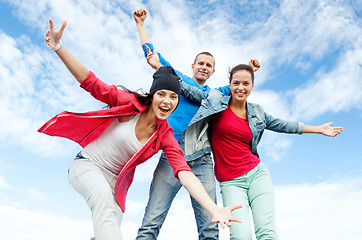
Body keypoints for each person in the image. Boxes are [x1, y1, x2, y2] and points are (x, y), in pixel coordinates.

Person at [38, 19, 242, 240]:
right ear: (153, 95)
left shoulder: (165, 135)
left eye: (174, 97)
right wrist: (58, 47)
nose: (168, 101)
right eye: (162, 94)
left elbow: (184, 172)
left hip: (116, 184)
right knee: (104, 208)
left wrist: (214, 209)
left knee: (107, 228)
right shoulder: (129, 104)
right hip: (87, 165)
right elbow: (91, 82)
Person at [145, 58, 343, 240]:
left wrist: (318, 129)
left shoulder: (257, 112)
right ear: (229, 85)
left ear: (252, 87)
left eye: (246, 84)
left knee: (266, 232)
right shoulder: (214, 101)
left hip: (257, 173)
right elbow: (188, 89)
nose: (240, 88)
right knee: (240, 235)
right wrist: (160, 69)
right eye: (236, 83)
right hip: (231, 181)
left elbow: (283, 125)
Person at [133, 8, 260, 240]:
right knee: (151, 222)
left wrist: (251, 69)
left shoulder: (215, 94)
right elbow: (151, 54)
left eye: (208, 65)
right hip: (172, 155)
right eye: (200, 63)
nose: (204, 67)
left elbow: (238, 87)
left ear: (212, 72)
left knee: (211, 226)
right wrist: (141, 24)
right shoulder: (176, 80)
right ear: (193, 66)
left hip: (202, 160)